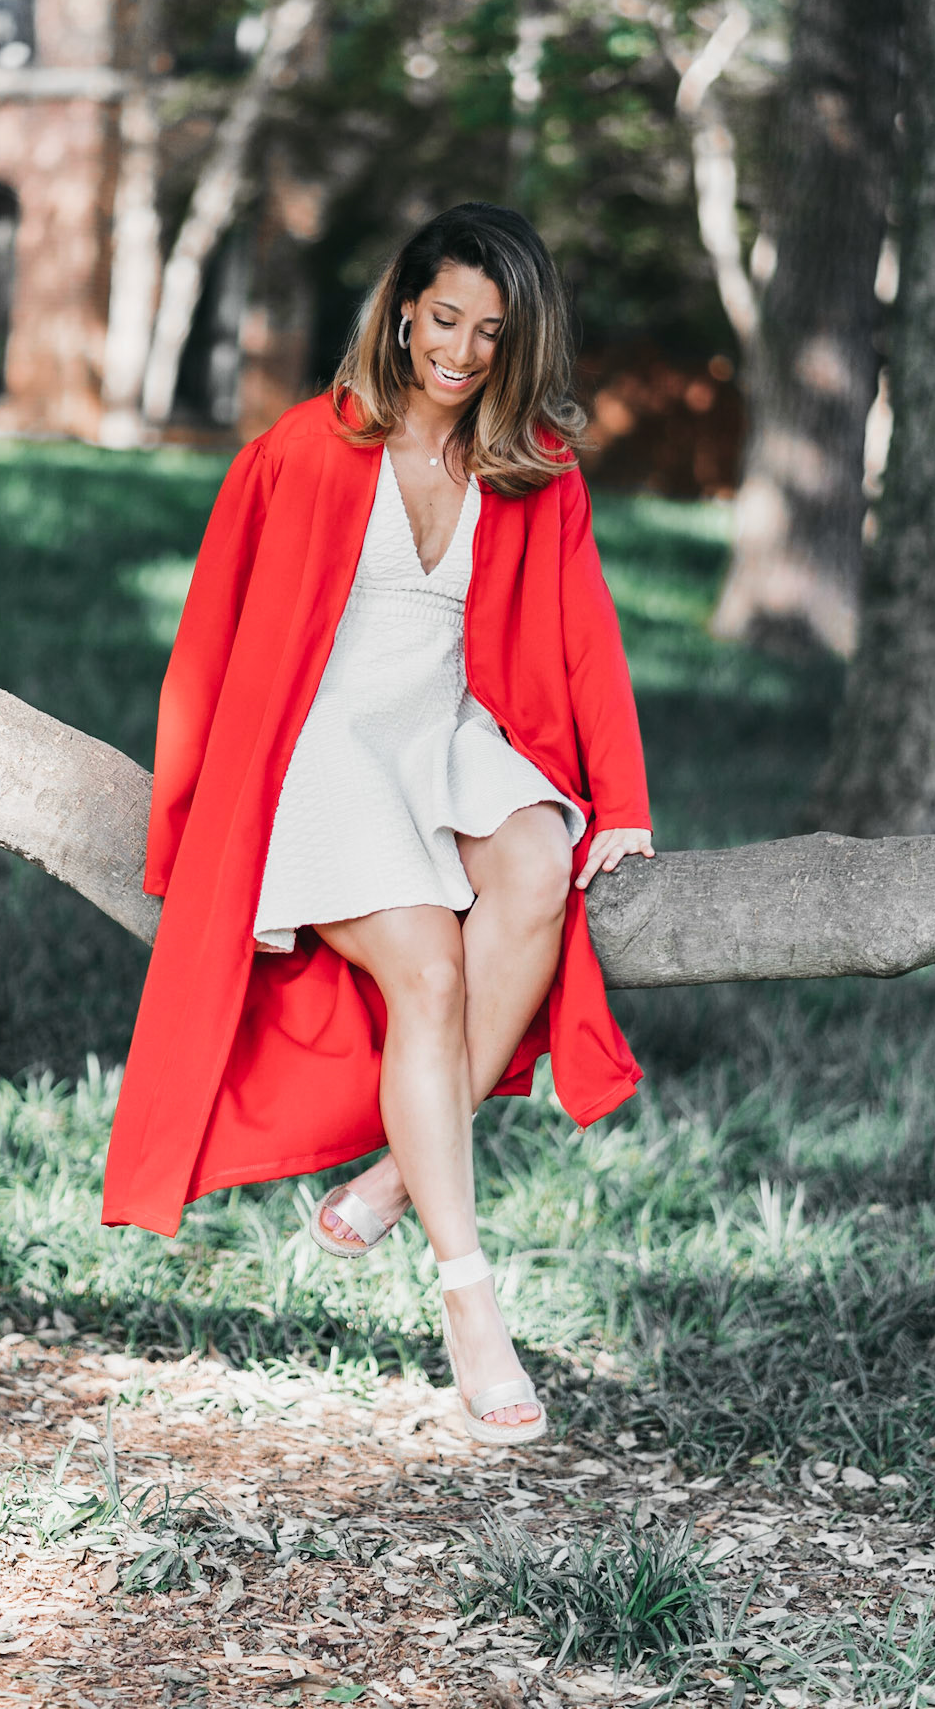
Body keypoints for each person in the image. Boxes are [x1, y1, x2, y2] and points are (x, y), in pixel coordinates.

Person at [102, 202, 654, 1449]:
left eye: (490, 333)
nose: (460, 351)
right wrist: (185, 825)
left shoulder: (532, 465)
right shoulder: (304, 448)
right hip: (322, 744)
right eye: (443, 318)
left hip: (449, 731)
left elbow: (585, 635)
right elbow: (208, 636)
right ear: (402, 311)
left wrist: (618, 803)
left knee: (538, 863)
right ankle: (470, 1298)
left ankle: (402, 1171)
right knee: (431, 969)